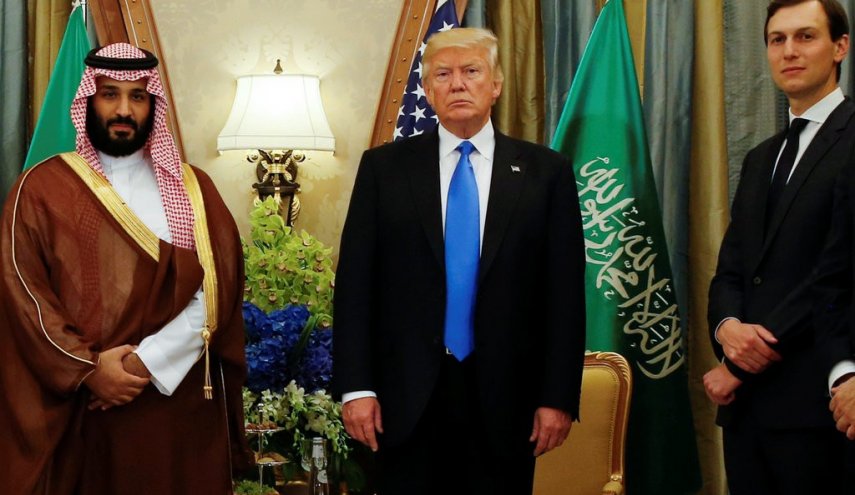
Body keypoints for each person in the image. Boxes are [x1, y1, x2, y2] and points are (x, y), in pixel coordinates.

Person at [332, 27, 586, 494]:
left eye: (471, 71)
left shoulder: (546, 173)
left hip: (508, 402)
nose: (458, 84)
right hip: (402, 402)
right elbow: (354, 287)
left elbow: (565, 295)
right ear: (427, 91)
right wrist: (356, 388)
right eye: (443, 75)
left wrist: (558, 397)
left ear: (496, 84)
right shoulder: (384, 170)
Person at [0, 43, 251, 494]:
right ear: (88, 100)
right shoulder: (42, 188)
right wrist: (90, 370)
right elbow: (24, 294)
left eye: (137, 96)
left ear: (153, 104)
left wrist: (144, 363)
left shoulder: (193, 189)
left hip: (175, 408)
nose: (123, 110)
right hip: (83, 408)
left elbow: (217, 289)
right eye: (109, 94)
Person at [703, 1, 853, 493]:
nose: (789, 51)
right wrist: (726, 328)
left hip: (820, 407)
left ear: (840, 47)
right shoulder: (760, 159)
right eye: (777, 39)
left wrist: (740, 362)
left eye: (805, 36)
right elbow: (732, 270)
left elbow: (837, 273)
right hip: (746, 415)